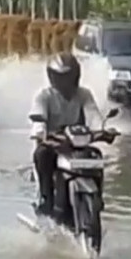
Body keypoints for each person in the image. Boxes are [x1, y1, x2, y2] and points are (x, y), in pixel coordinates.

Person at [28, 52, 103, 217]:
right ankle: (45, 198)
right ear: (52, 77)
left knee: (96, 156)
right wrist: (40, 131)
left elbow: (93, 115)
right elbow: (38, 118)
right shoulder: (44, 96)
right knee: (42, 154)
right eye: (61, 77)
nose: (65, 82)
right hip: (52, 145)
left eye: (69, 77)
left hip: (76, 145)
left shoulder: (84, 94)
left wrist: (102, 130)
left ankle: (97, 198)